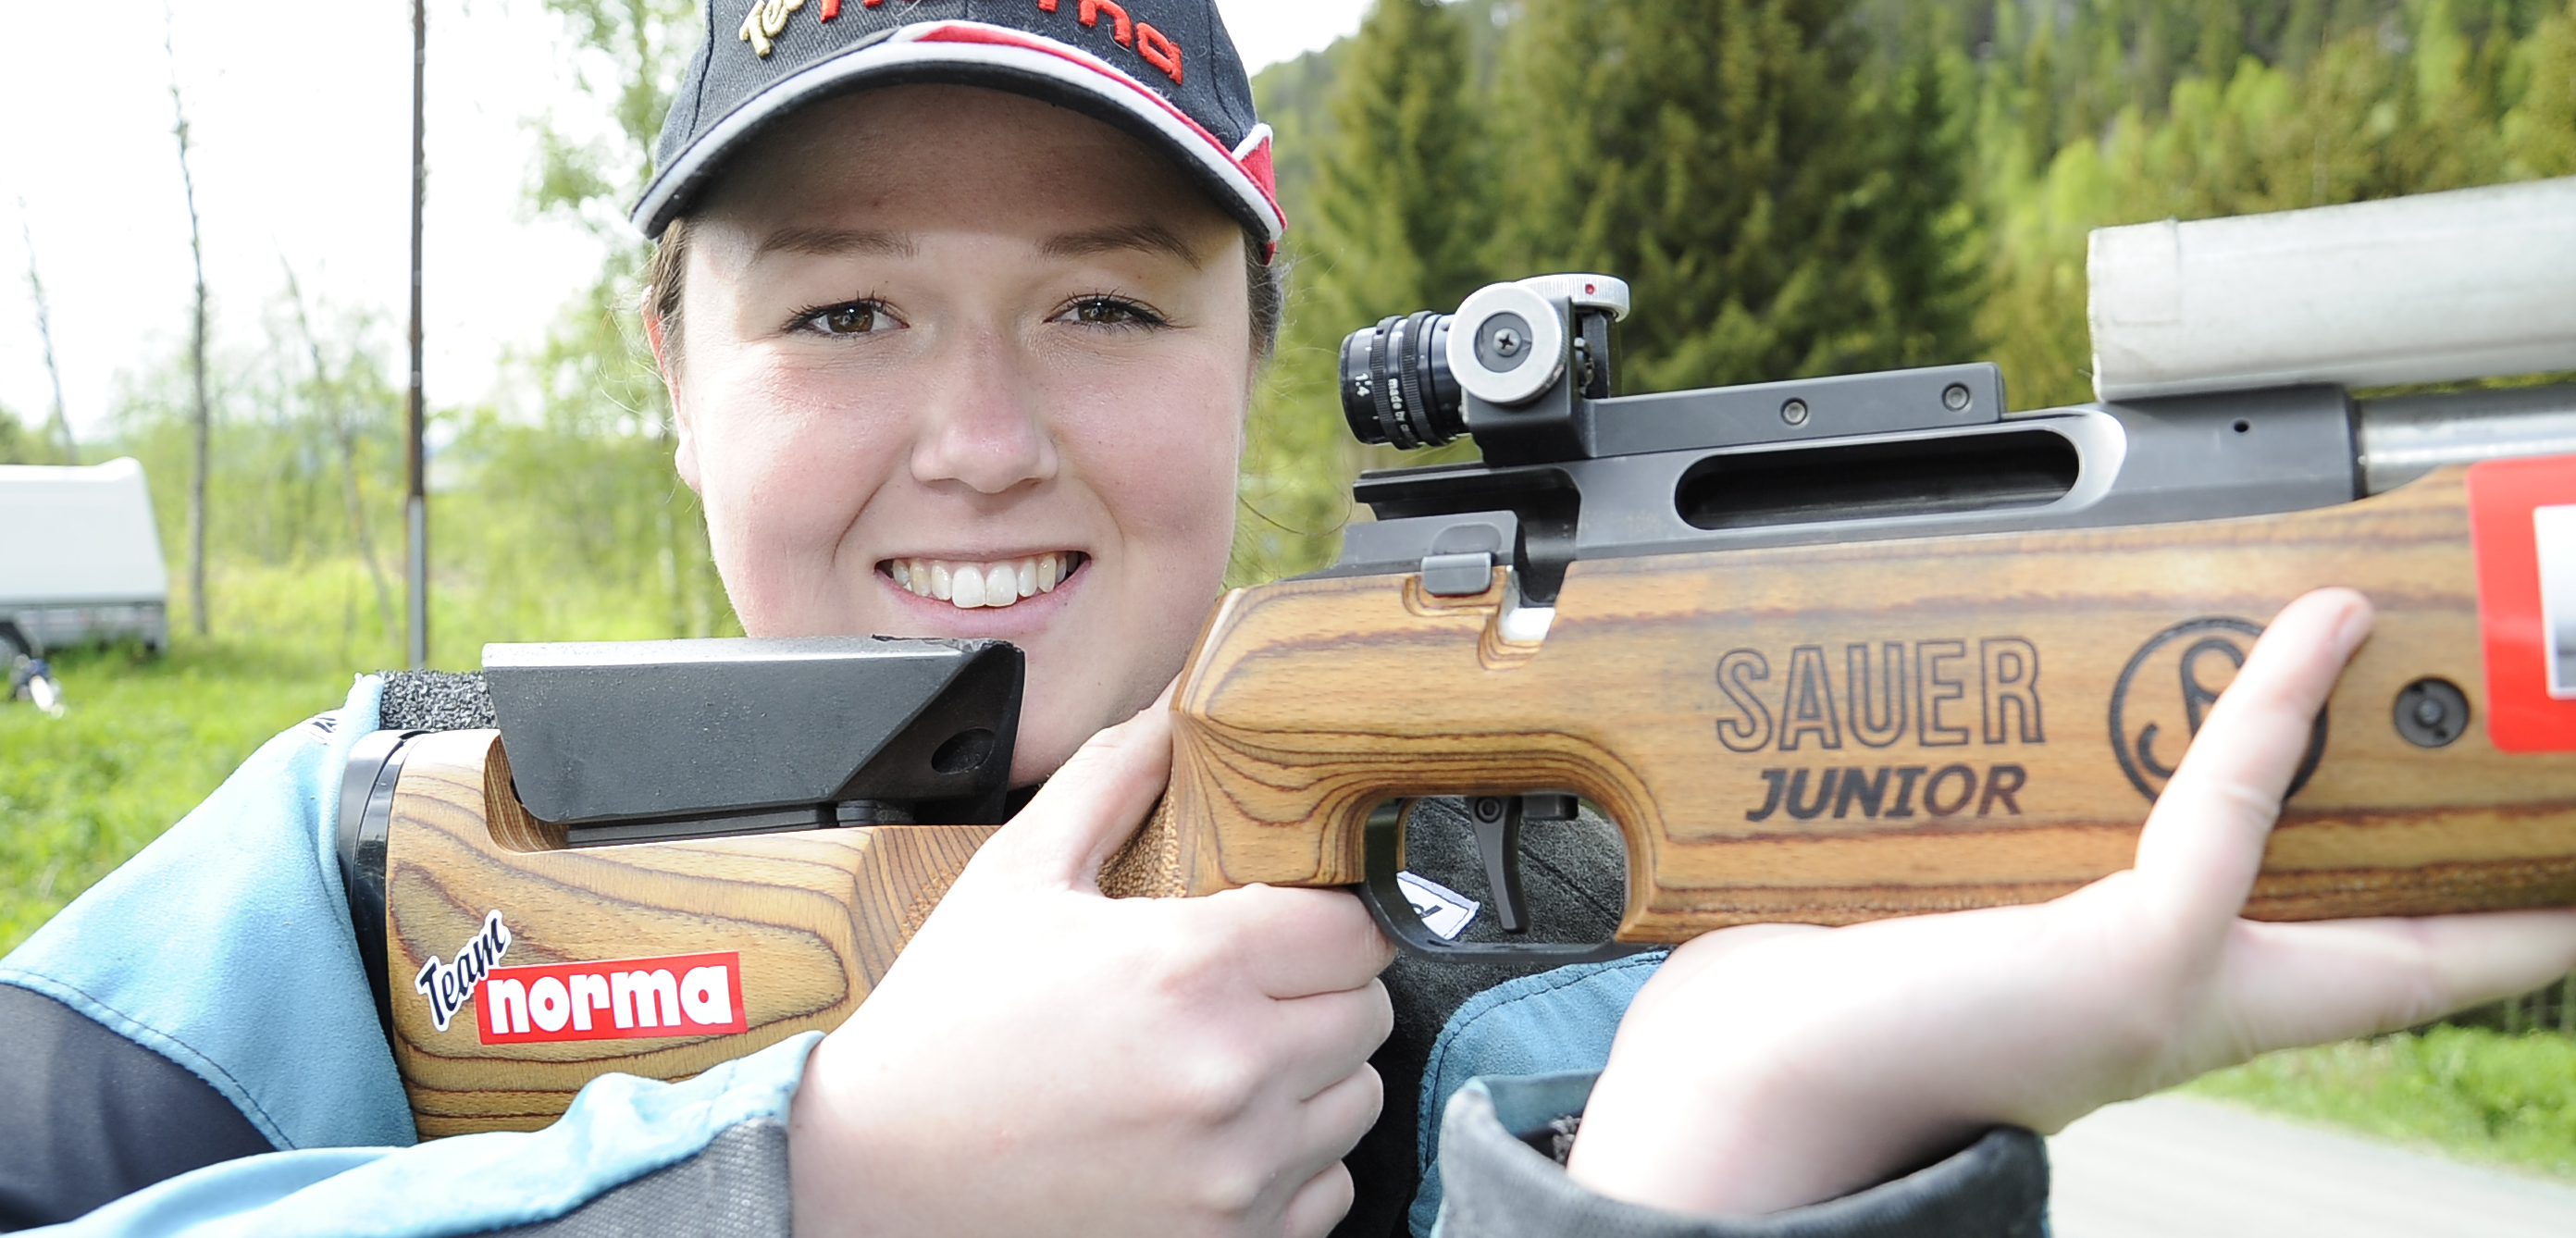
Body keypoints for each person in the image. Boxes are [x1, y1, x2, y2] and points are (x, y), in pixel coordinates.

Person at [5, 4, 2573, 1236]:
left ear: (1263, 347)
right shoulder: (362, 879)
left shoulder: (1561, 992)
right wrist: (825, 1180)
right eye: (846, 311)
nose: (985, 433)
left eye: (1109, 309)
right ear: (667, 362)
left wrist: (1718, 1147)